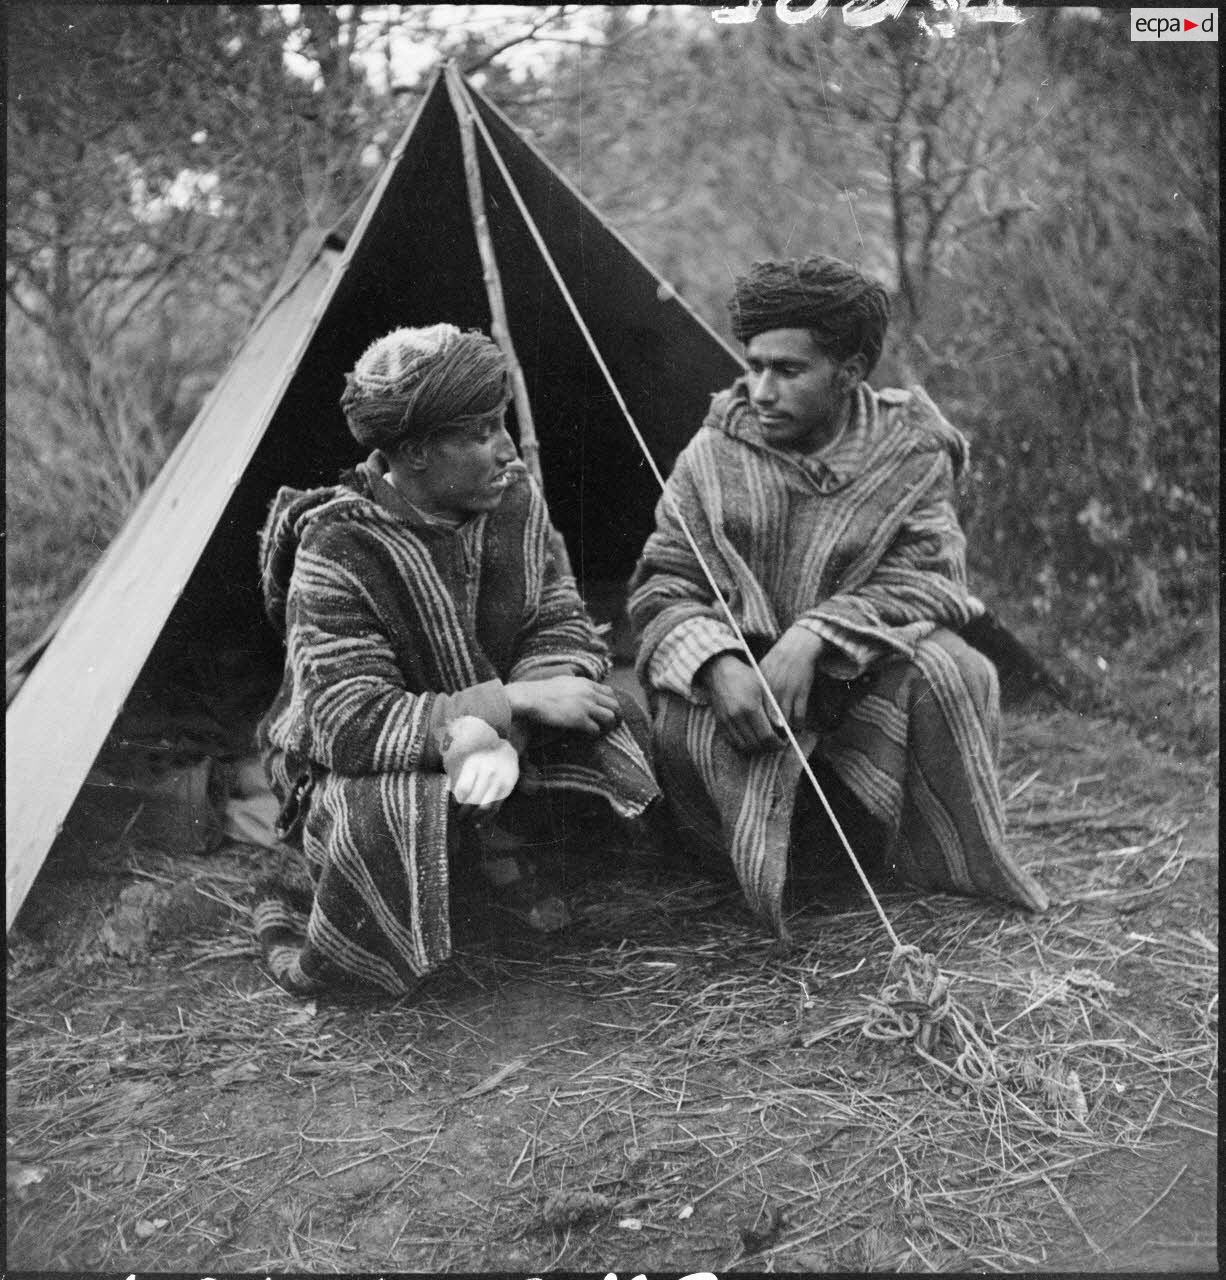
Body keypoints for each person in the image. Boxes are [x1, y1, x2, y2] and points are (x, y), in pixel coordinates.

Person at [628, 254, 1048, 939]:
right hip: (748, 690)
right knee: (689, 713)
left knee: (957, 668)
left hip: (855, 678)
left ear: (849, 373)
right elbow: (662, 584)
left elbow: (932, 580)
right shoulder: (712, 455)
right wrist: (714, 661)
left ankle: (908, 853)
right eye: (755, 364)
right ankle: (751, 855)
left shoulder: (908, 452)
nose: (761, 390)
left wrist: (816, 634)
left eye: (788, 371)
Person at [254, 323, 660, 995]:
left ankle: (504, 861)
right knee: (382, 814)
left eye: (500, 425)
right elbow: (351, 724)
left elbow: (556, 613)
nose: (505, 449)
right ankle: (394, 940)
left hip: (489, 731)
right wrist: (512, 705)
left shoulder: (511, 499)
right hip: (371, 758)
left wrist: (522, 715)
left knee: (614, 723)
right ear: (412, 453)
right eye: (477, 435)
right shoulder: (337, 546)